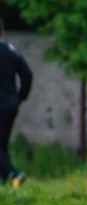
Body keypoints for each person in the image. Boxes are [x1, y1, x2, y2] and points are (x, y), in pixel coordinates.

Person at [0, 17, 33, 188]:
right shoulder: (12, 50)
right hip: (11, 104)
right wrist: (20, 97)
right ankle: (6, 182)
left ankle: (15, 174)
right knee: (2, 145)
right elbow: (27, 75)